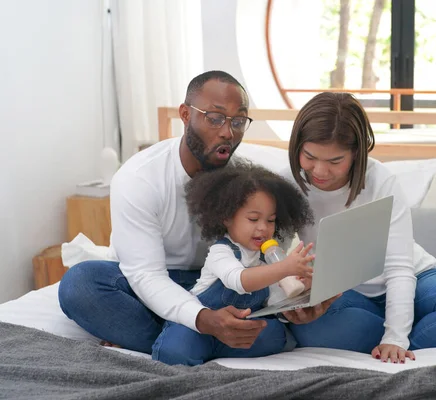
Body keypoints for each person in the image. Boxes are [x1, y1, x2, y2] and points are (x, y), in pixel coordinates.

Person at [57, 70, 336, 355]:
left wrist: (292, 297)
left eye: (238, 121)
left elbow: (265, 259)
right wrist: (204, 320)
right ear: (186, 114)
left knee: (273, 324)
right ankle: (194, 338)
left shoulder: (247, 182)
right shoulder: (139, 178)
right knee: (81, 285)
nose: (228, 132)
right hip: (148, 282)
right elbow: (145, 276)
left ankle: (175, 341)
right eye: (215, 118)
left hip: (220, 284)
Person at [281, 92, 436, 364]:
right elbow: (273, 259)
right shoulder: (285, 184)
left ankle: (398, 336)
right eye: (310, 156)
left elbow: (400, 266)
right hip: (343, 294)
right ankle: (415, 326)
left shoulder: (379, 180)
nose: (320, 171)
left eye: (335, 161)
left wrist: (395, 338)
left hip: (415, 278)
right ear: (297, 147)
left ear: (356, 153)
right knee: (312, 329)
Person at [151, 163, 315, 365]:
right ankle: (190, 347)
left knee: (278, 334)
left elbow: (274, 303)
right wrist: (283, 268)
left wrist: (302, 287)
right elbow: (239, 280)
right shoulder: (221, 252)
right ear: (227, 217)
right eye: (253, 219)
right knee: (174, 351)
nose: (263, 228)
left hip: (234, 334)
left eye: (271, 220)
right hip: (198, 328)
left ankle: (217, 352)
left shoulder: (265, 264)